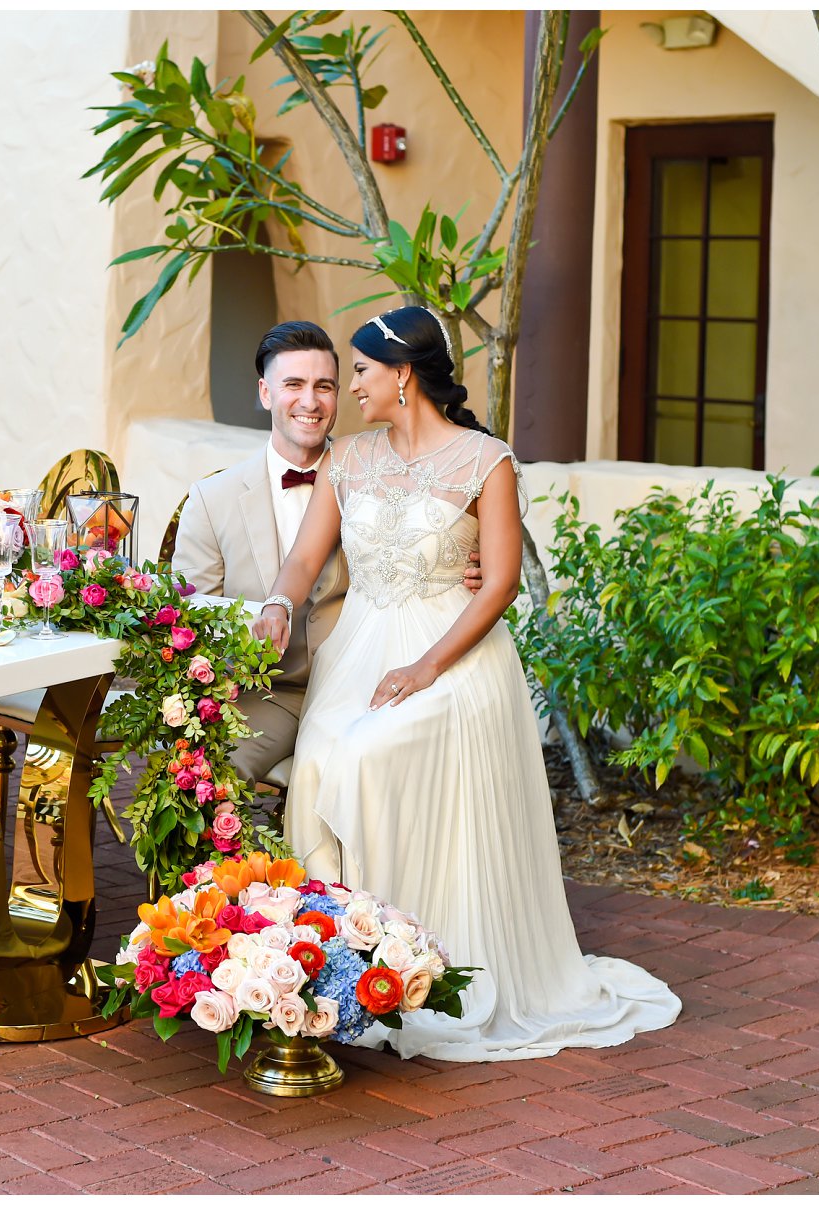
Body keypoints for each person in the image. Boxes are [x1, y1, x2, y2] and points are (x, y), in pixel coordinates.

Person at [251, 306, 681, 1062]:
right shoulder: (348, 461)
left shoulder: (487, 461)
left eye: (360, 370)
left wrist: (426, 666)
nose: (350, 386)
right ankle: (338, 966)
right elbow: (303, 559)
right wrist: (281, 603)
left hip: (454, 656)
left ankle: (413, 963)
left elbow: (500, 583)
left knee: (366, 759)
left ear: (403, 375)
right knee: (318, 762)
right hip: (361, 655)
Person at [172, 320, 480, 785]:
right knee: (204, 772)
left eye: (325, 386)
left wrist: (466, 566)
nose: (311, 402)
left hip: (367, 683)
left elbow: (441, 536)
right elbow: (189, 620)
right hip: (270, 694)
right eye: (293, 384)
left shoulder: (379, 469)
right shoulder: (212, 500)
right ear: (265, 393)